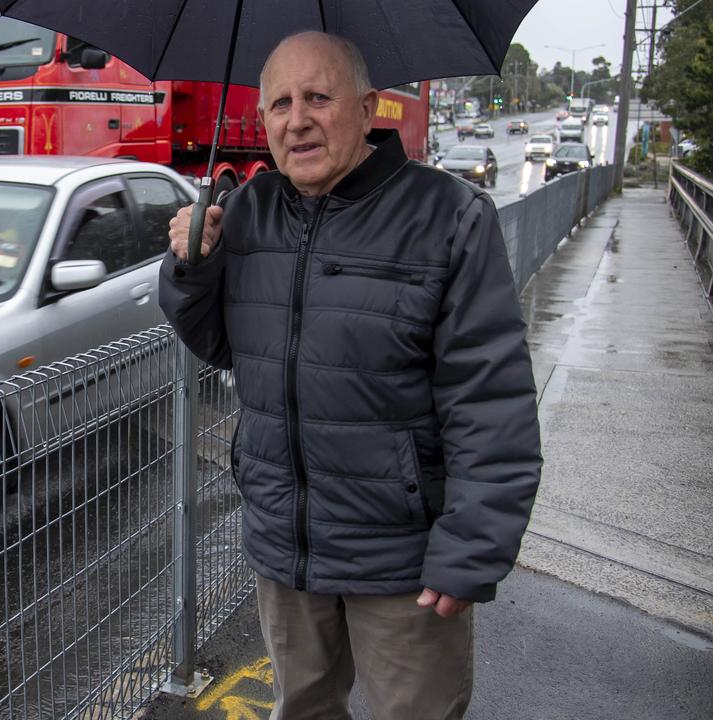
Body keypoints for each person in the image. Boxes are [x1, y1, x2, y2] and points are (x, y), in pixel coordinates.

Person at [159, 32, 541, 719]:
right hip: (287, 547)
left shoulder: (450, 218)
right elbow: (222, 345)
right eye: (279, 102)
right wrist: (192, 269)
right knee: (302, 709)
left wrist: (473, 547)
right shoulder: (247, 211)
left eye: (317, 97)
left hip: (404, 558)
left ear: (369, 109)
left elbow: (490, 399)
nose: (296, 119)